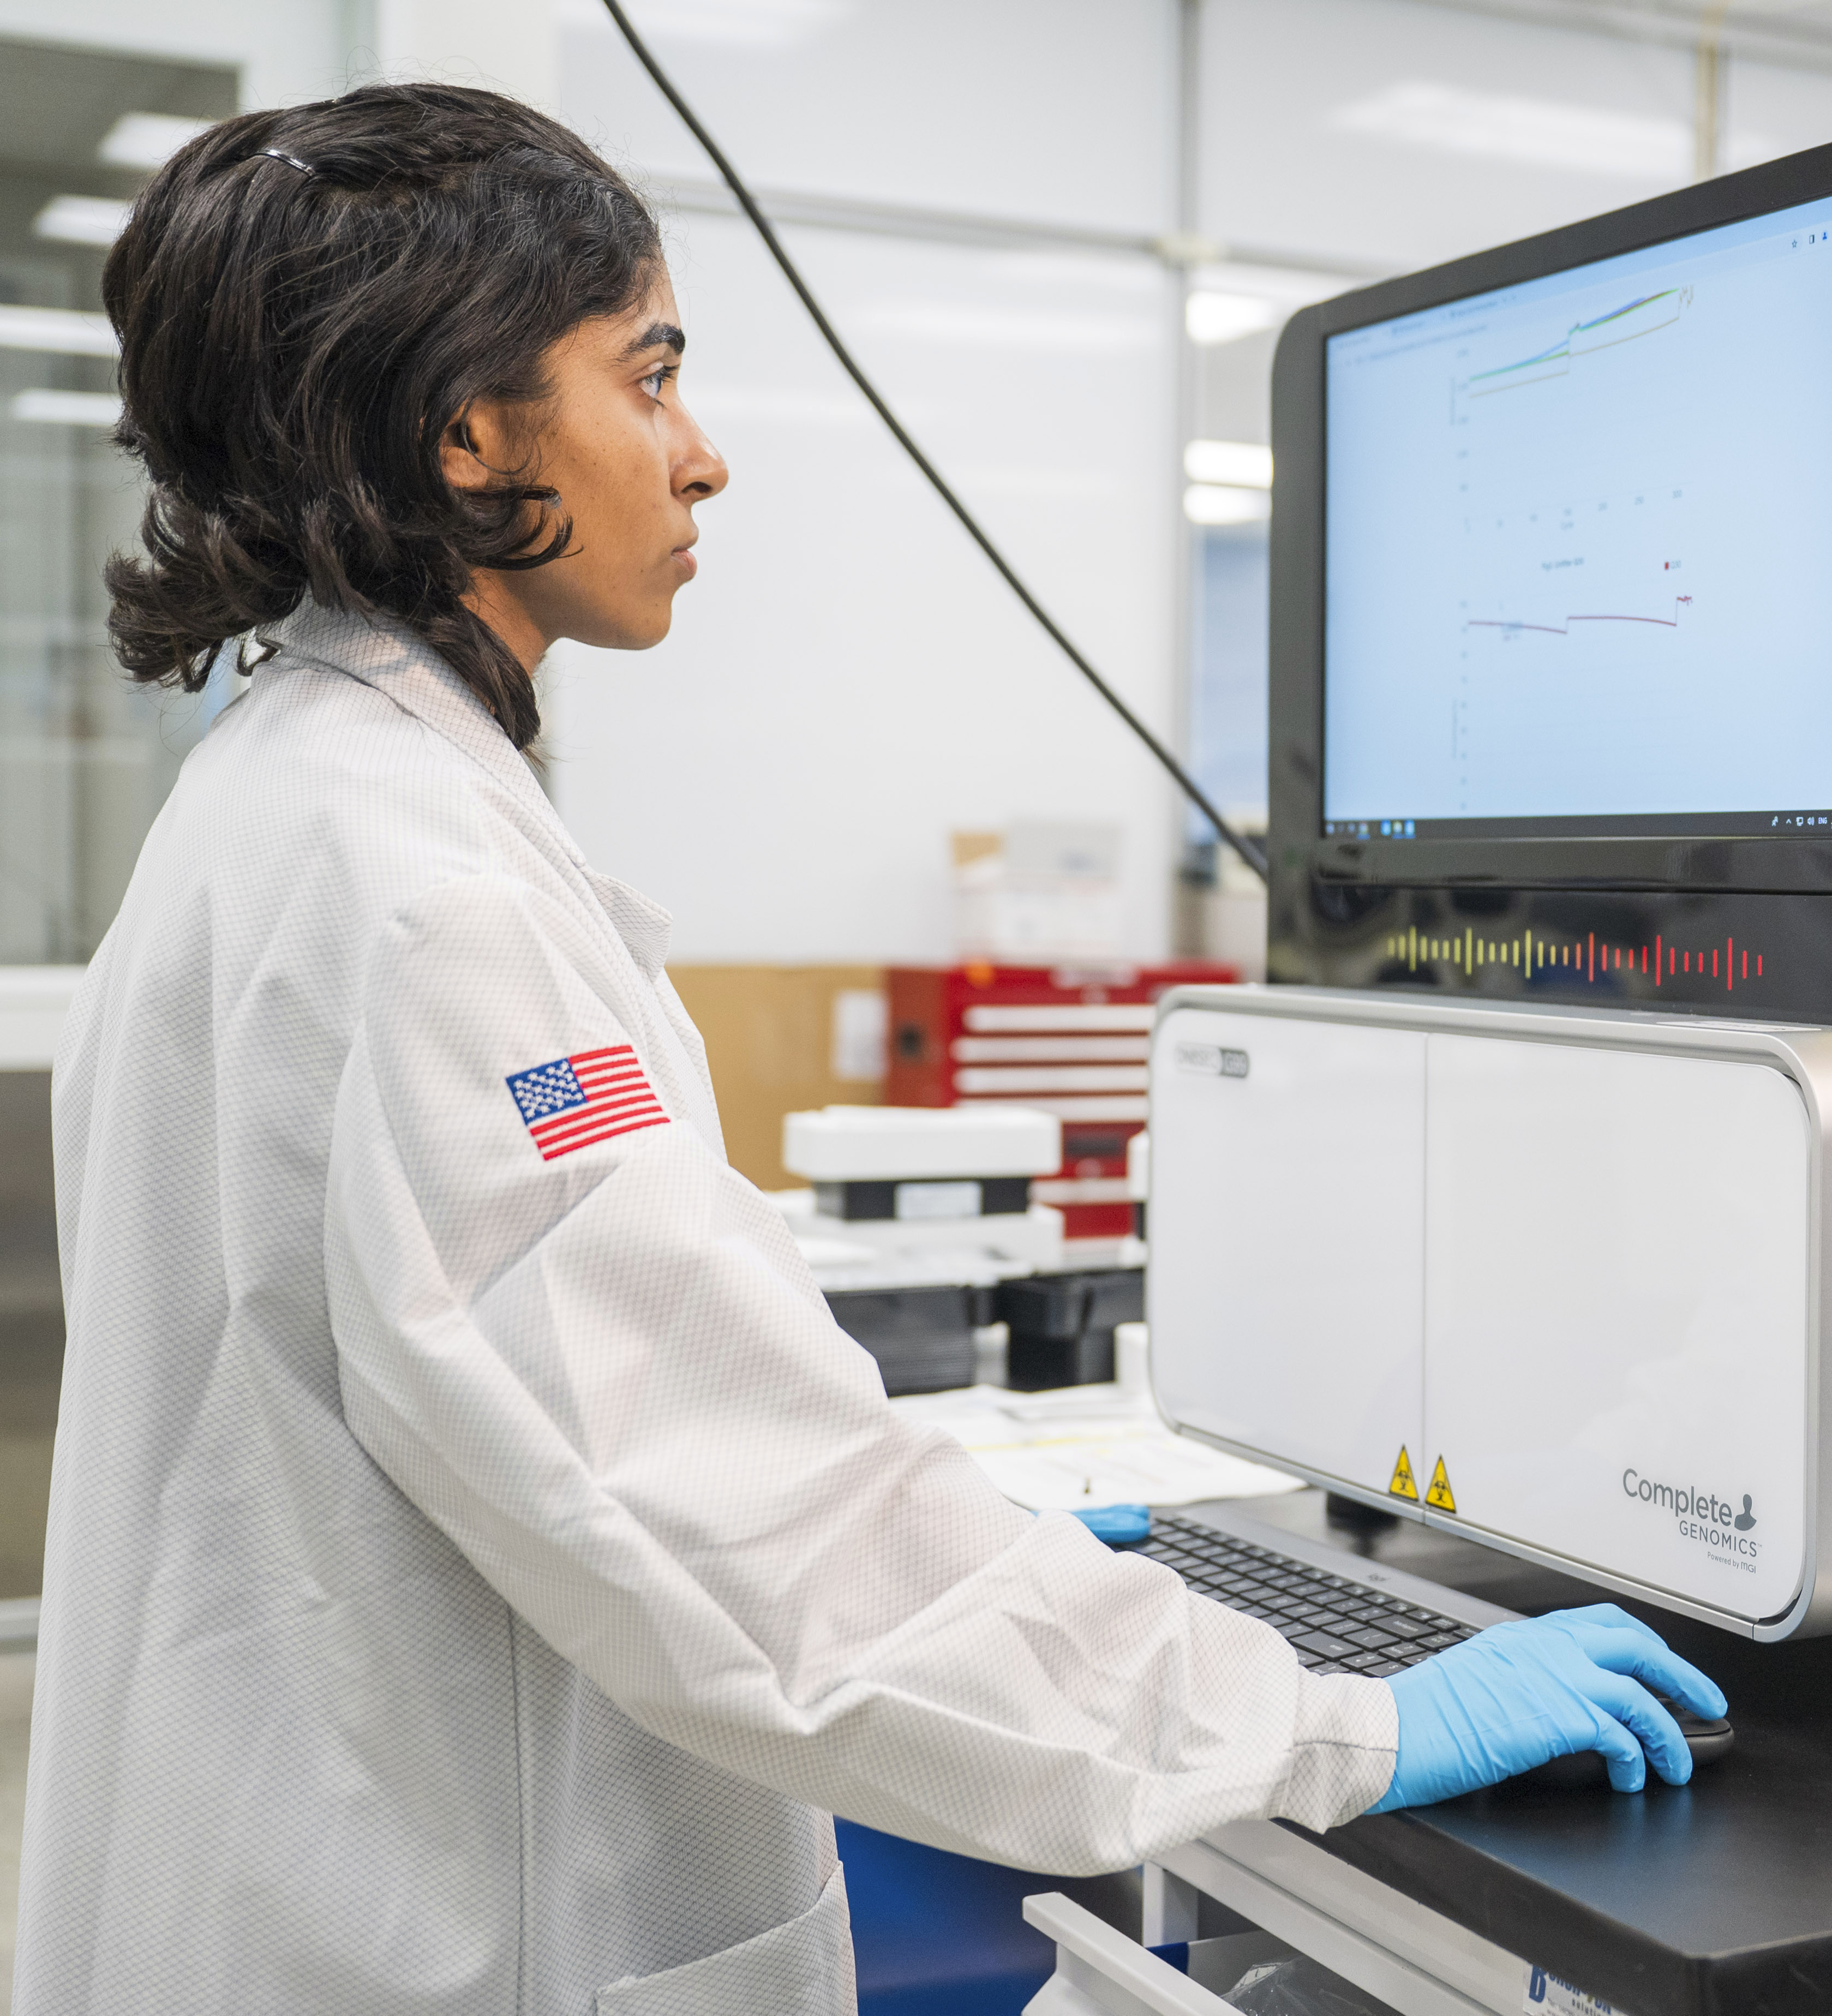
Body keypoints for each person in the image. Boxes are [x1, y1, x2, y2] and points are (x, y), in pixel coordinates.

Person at [23, 85, 1725, 2014]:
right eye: (648, 377)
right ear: (470, 430)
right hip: (446, 1930)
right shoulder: (422, 888)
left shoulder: (280, 797)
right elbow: (732, 1524)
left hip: (297, 1862)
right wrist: (1334, 1718)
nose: (704, 455)